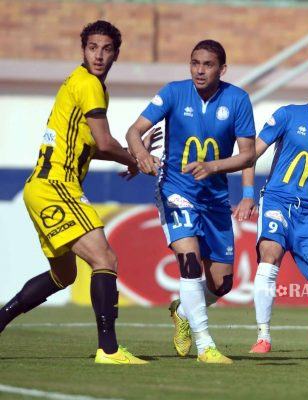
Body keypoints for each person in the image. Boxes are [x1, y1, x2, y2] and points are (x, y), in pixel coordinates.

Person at [0, 20, 154, 364]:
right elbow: (104, 141)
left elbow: (91, 147)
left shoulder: (81, 82)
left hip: (40, 187)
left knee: (64, 275)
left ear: (116, 53)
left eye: (106, 49)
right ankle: (110, 350)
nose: (99, 55)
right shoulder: (89, 85)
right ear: (83, 49)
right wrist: (138, 156)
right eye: (92, 48)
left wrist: (130, 158)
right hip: (57, 185)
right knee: (105, 260)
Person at [126, 40, 256, 364]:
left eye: (208, 64)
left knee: (222, 283)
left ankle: (183, 312)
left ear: (222, 69)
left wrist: (214, 168)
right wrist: (141, 154)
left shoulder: (238, 100)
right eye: (195, 63)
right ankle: (205, 346)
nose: (199, 70)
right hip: (175, 190)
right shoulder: (172, 92)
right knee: (190, 265)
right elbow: (134, 131)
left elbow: (248, 154)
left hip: (215, 199)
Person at [242, 62, 308, 354]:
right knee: (269, 255)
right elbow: (250, 153)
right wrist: (248, 194)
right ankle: (263, 336)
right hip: (278, 201)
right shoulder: (288, 115)